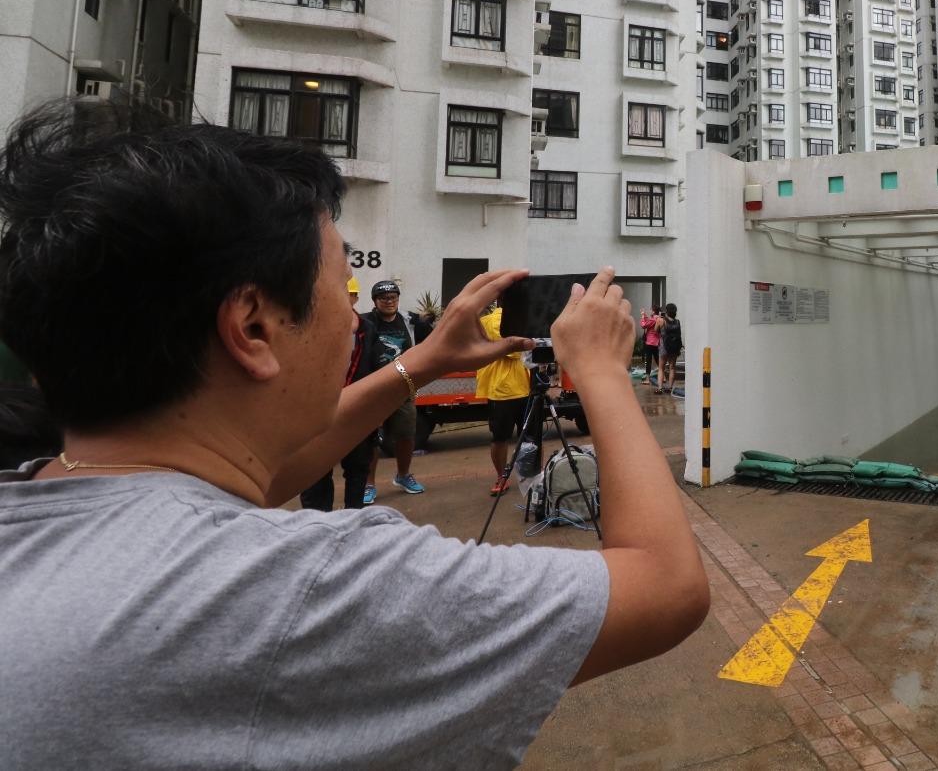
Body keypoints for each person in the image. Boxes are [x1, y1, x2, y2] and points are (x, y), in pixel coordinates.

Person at [0, 101, 708, 769]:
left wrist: (424, 360)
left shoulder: (35, 501)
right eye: (341, 290)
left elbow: (253, 476)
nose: (352, 318)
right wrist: (604, 373)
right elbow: (666, 585)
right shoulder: (306, 588)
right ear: (252, 326)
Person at [298, 277, 374, 511]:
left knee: (357, 470)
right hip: (317, 415)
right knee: (315, 474)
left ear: (355, 298)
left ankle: (354, 521)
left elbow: (373, 368)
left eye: (348, 294)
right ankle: (318, 523)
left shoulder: (367, 329)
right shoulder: (309, 326)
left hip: (356, 412)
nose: (342, 299)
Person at [361, 279, 423, 501]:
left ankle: (403, 475)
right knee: (371, 438)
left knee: (406, 435)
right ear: (375, 301)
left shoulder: (409, 321)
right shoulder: (365, 322)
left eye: (393, 297)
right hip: (374, 389)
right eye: (384, 298)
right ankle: (368, 484)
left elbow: (431, 339)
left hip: (402, 388)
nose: (389, 302)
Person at [476, 301, 531, 497]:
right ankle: (505, 477)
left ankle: (515, 476)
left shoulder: (520, 319)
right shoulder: (492, 321)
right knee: (503, 437)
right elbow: (514, 349)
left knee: (517, 437)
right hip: (505, 390)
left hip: (522, 386)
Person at [657, 303, 682, 396]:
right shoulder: (677, 322)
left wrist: (659, 320)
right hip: (674, 347)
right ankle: (670, 388)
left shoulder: (661, 321)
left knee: (661, 368)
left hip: (664, 347)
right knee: (672, 368)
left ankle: (660, 388)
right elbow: (679, 335)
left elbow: (656, 331)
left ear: (667, 311)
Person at [640, 305, 660, 384]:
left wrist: (642, 316)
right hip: (656, 342)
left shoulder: (653, 319)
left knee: (648, 360)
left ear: (654, 311)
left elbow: (644, 325)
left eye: (651, 309)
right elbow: (648, 321)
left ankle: (647, 379)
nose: (650, 311)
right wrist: (644, 315)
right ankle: (664, 377)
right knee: (657, 360)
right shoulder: (658, 318)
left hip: (650, 342)